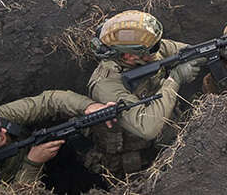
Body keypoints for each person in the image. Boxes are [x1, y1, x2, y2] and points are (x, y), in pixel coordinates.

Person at [86, 10, 203, 175]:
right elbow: (147, 127)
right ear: (128, 56)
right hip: (134, 164)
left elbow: (192, 52)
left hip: (168, 136)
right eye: (153, 48)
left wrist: (220, 50)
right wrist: (175, 79)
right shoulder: (106, 85)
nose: (158, 48)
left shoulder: (147, 51)